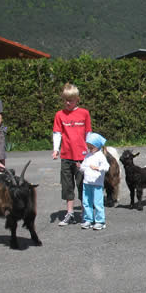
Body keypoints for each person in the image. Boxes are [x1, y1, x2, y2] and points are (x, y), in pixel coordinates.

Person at [52, 83, 92, 226]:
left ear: (77, 99)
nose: (67, 103)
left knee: (83, 185)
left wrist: (91, 150)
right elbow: (57, 133)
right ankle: (70, 213)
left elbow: (88, 133)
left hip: (82, 156)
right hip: (66, 156)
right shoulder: (59, 115)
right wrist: (56, 149)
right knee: (67, 186)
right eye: (65, 100)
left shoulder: (84, 113)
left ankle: (85, 213)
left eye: (71, 100)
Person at [79, 132, 110, 230]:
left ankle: (100, 221)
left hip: (97, 183)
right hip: (87, 182)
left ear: (97, 146)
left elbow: (106, 167)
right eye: (89, 147)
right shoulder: (88, 155)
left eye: (91, 147)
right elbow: (83, 167)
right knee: (86, 202)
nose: (90, 149)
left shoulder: (100, 156)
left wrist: (98, 168)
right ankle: (88, 219)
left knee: (97, 202)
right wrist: (81, 167)